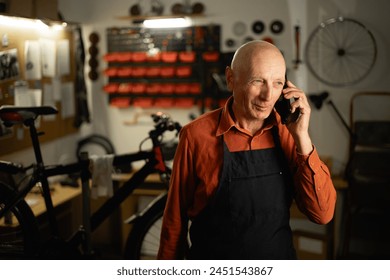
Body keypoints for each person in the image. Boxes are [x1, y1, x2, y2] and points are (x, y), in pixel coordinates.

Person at [158, 40, 337, 260]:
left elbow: (322, 213)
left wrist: (301, 136)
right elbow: (174, 220)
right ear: (231, 79)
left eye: (278, 83)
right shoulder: (196, 135)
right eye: (257, 81)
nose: (268, 95)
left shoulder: (289, 133)